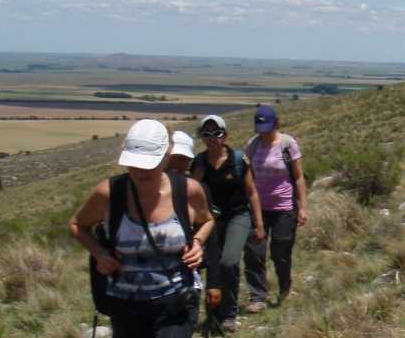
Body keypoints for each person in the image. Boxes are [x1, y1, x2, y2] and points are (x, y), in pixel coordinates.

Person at [69, 119, 214, 338]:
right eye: (133, 163)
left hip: (177, 300)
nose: (139, 171)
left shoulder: (188, 191)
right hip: (125, 305)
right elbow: (77, 225)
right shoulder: (109, 194)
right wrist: (99, 253)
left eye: (149, 164)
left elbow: (207, 220)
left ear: (167, 154)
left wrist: (198, 242)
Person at [191, 115, 265, 333]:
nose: (212, 138)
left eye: (217, 133)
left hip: (237, 215)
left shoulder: (238, 160)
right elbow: (192, 193)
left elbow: (252, 193)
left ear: (225, 135)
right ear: (202, 137)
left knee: (229, 261)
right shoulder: (200, 163)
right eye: (206, 134)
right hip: (210, 220)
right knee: (211, 265)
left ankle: (229, 315)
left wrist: (259, 224)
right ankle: (213, 316)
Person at [243, 105, 308, 313]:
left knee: (281, 252)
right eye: (260, 127)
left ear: (276, 123)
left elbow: (298, 177)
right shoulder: (252, 146)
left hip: (284, 208)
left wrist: (303, 207)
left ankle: (284, 287)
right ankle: (258, 296)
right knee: (254, 253)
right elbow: (248, 177)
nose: (264, 131)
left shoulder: (288, 145)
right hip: (258, 208)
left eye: (267, 127)